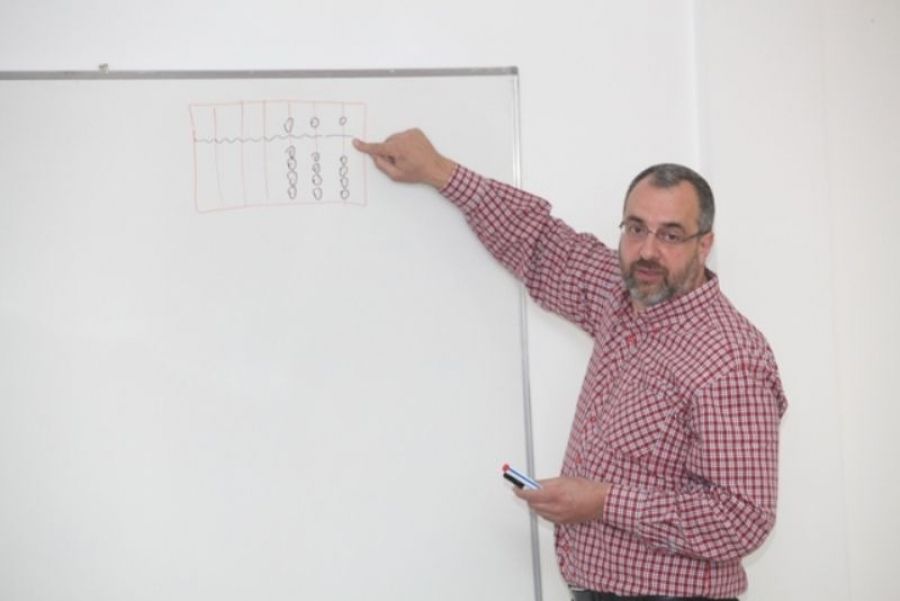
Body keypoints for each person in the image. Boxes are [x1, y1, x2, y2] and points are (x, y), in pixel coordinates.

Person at [353, 129, 787, 601]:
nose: (647, 250)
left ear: (704, 245)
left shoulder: (731, 360)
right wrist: (438, 170)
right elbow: (540, 243)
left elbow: (740, 518)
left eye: (670, 235)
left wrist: (602, 502)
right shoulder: (622, 296)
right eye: (636, 228)